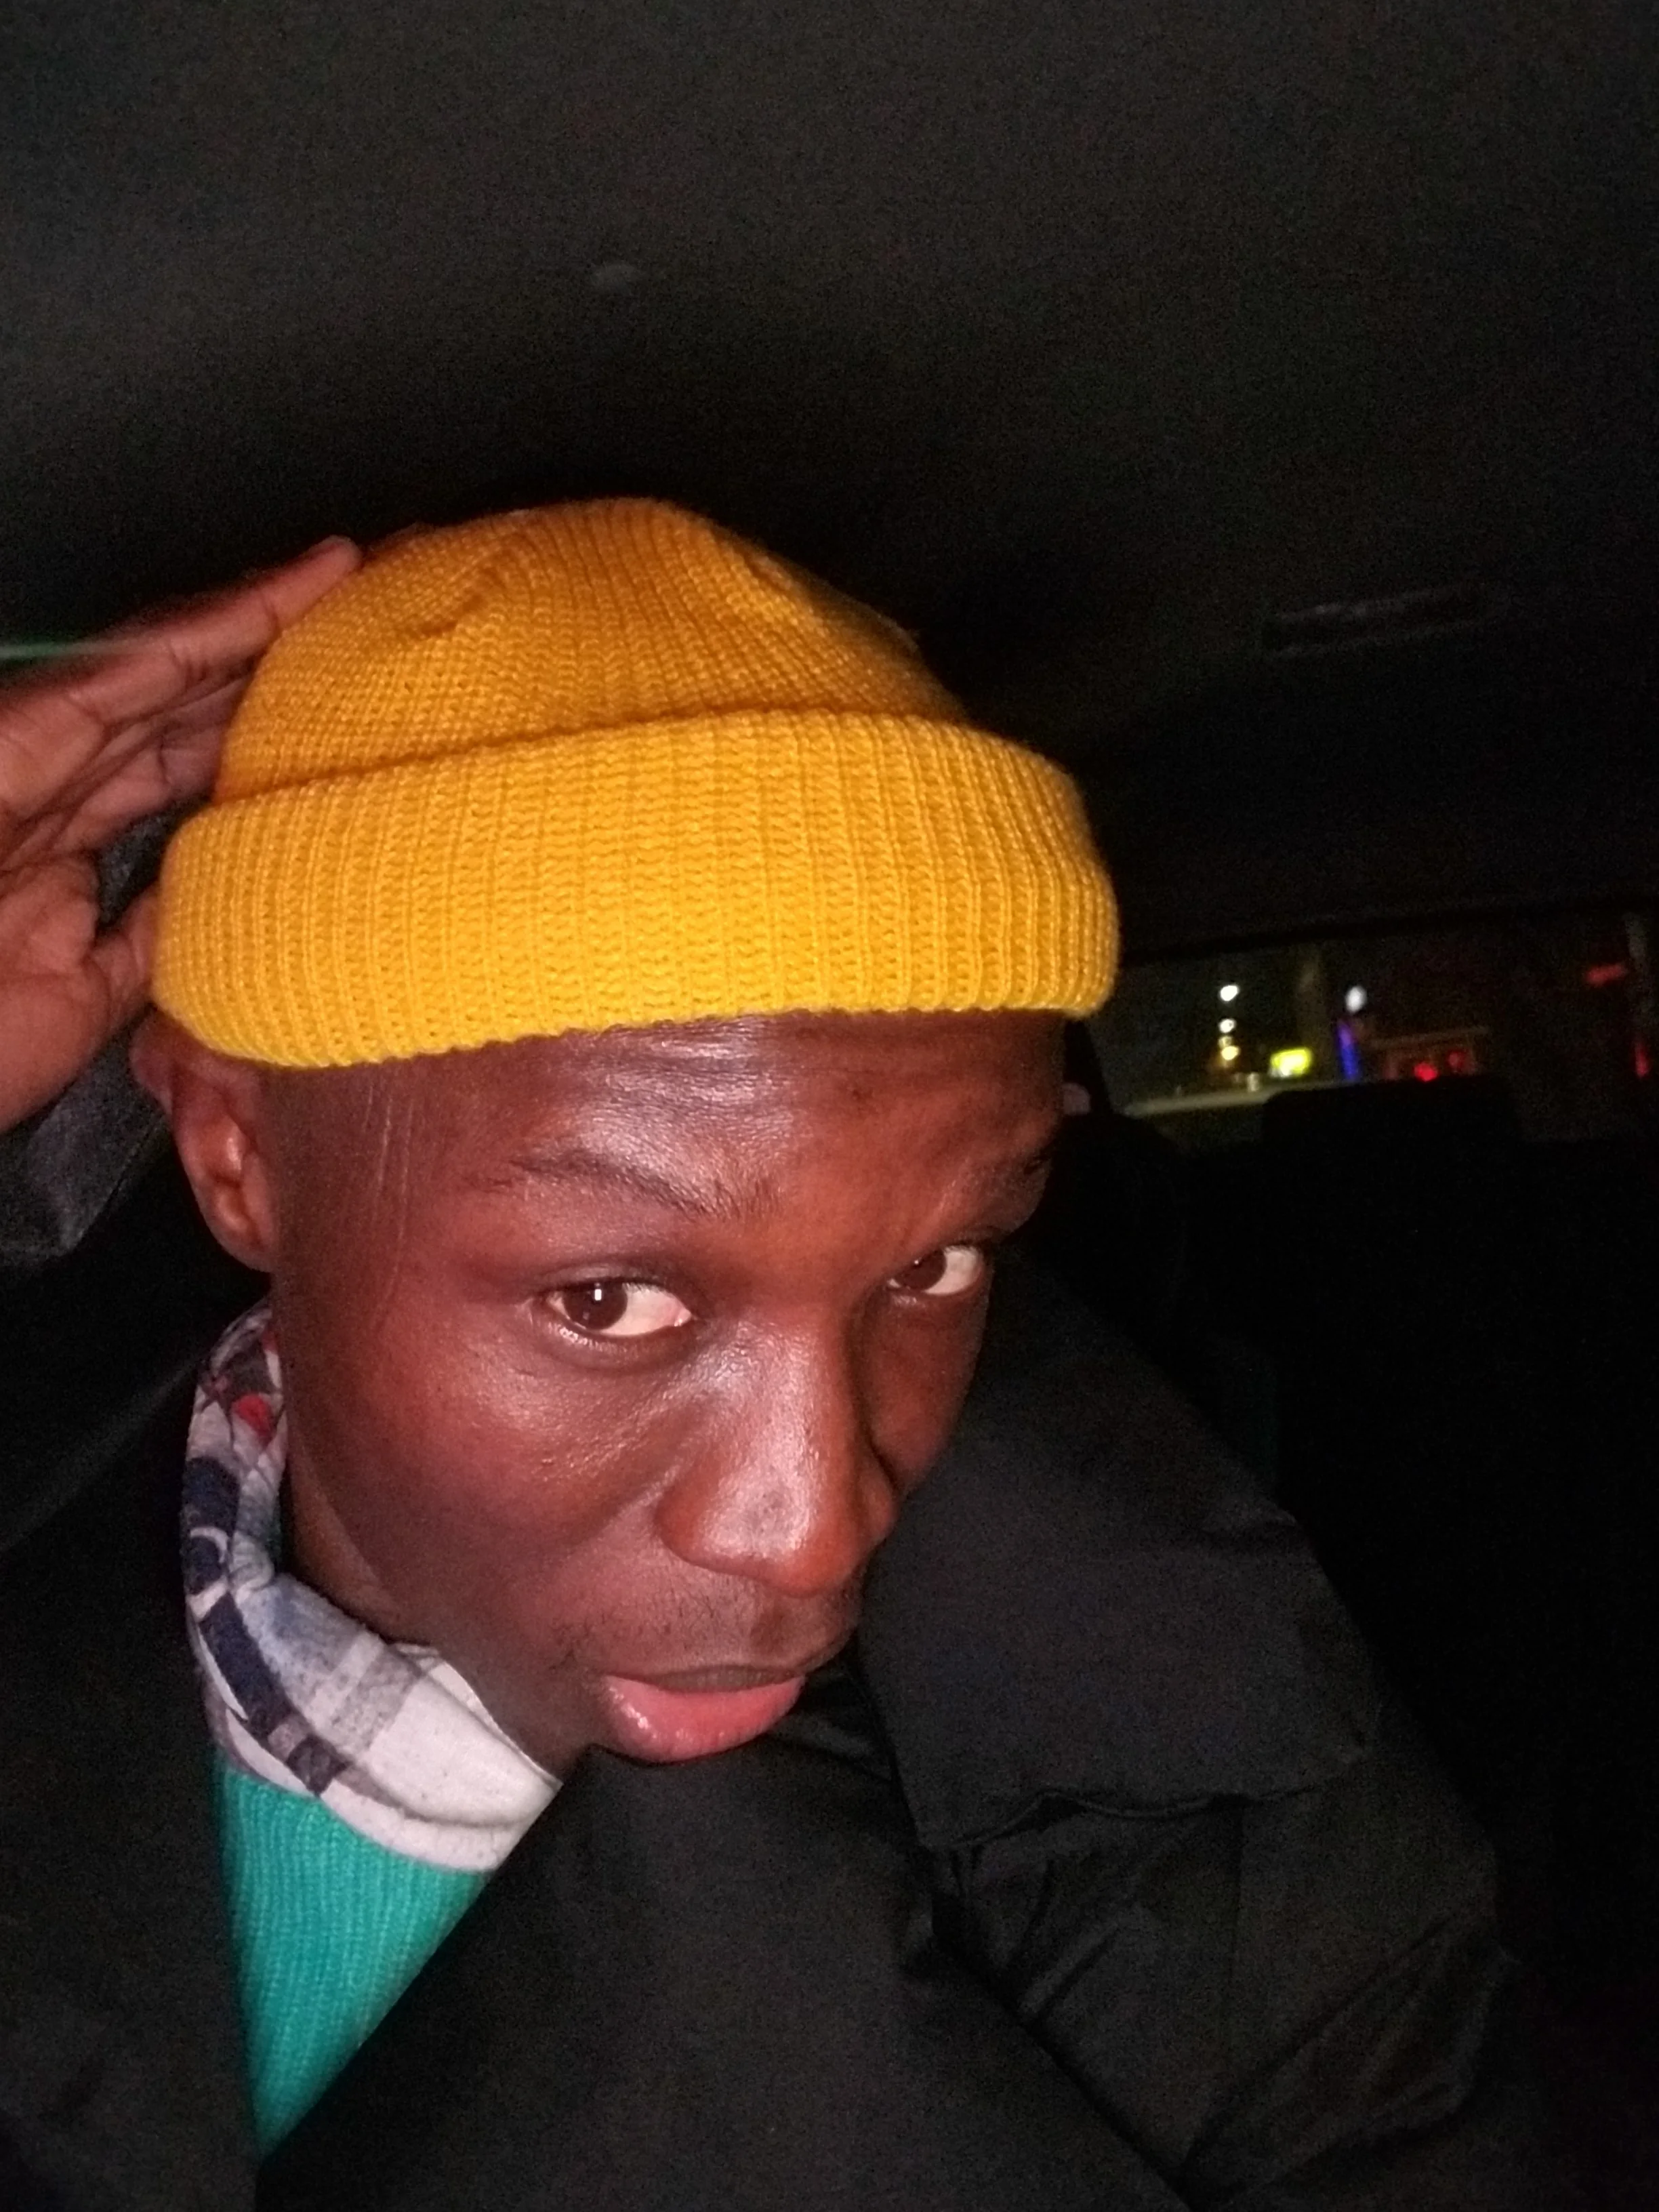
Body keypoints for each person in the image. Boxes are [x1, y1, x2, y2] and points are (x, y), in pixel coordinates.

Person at [0, 501, 1576, 2211]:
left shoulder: (1222, 1831)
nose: (812, 1532)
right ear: (236, 1157)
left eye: (933, 1263)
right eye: (611, 1301)